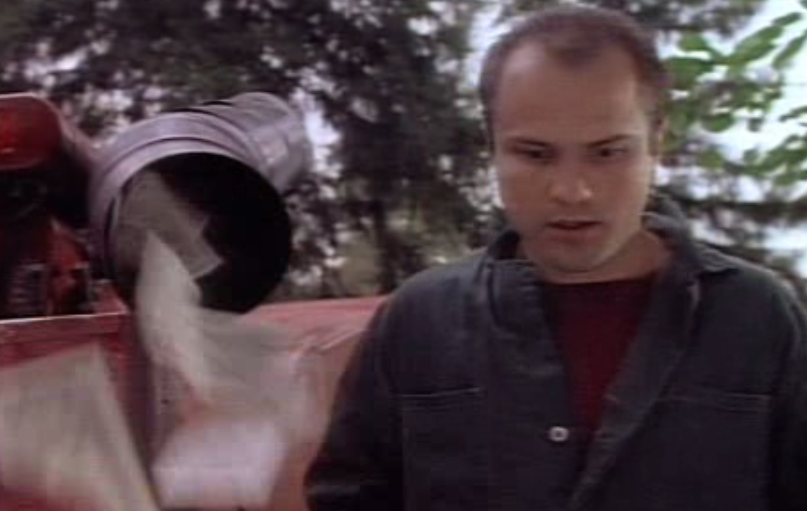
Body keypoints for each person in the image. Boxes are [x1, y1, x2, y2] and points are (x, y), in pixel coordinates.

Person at [305, 5, 807, 510]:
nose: (572, 190)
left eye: (607, 153)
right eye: (535, 154)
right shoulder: (420, 321)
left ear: (657, 144)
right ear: (492, 148)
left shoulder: (756, 317)